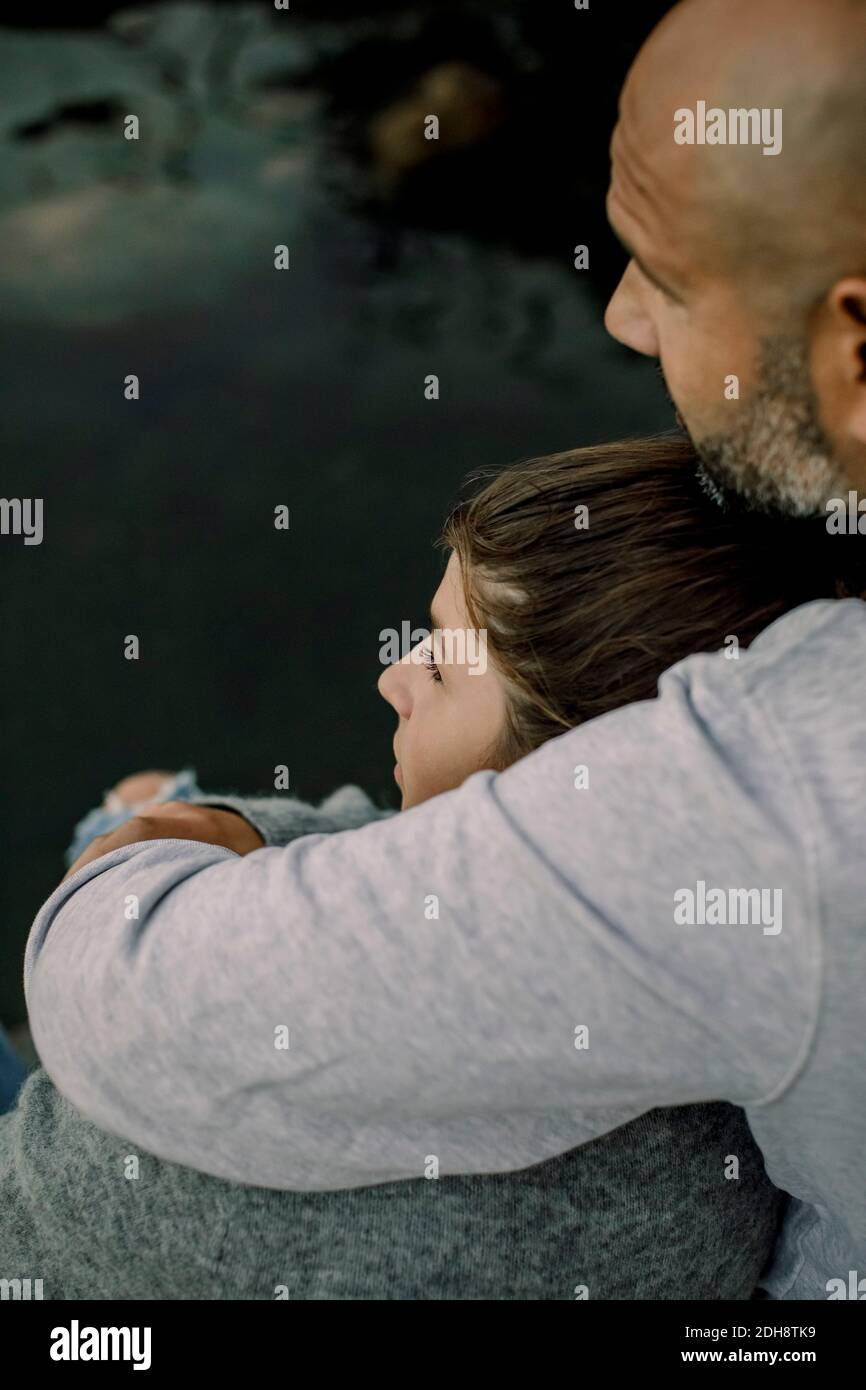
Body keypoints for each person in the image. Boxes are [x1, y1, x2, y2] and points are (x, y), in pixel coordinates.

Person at [18, 0, 866, 1300]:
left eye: (668, 277)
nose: (622, 322)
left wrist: (184, 830)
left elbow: (130, 998)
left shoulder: (780, 798)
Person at [8, 436, 839, 1298]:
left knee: (129, 814)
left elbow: (108, 1004)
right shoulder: (729, 1107)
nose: (392, 677)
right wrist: (228, 823)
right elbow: (365, 839)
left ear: (562, 799)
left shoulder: (178, 1174)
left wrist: (145, 840)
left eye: (438, 664)